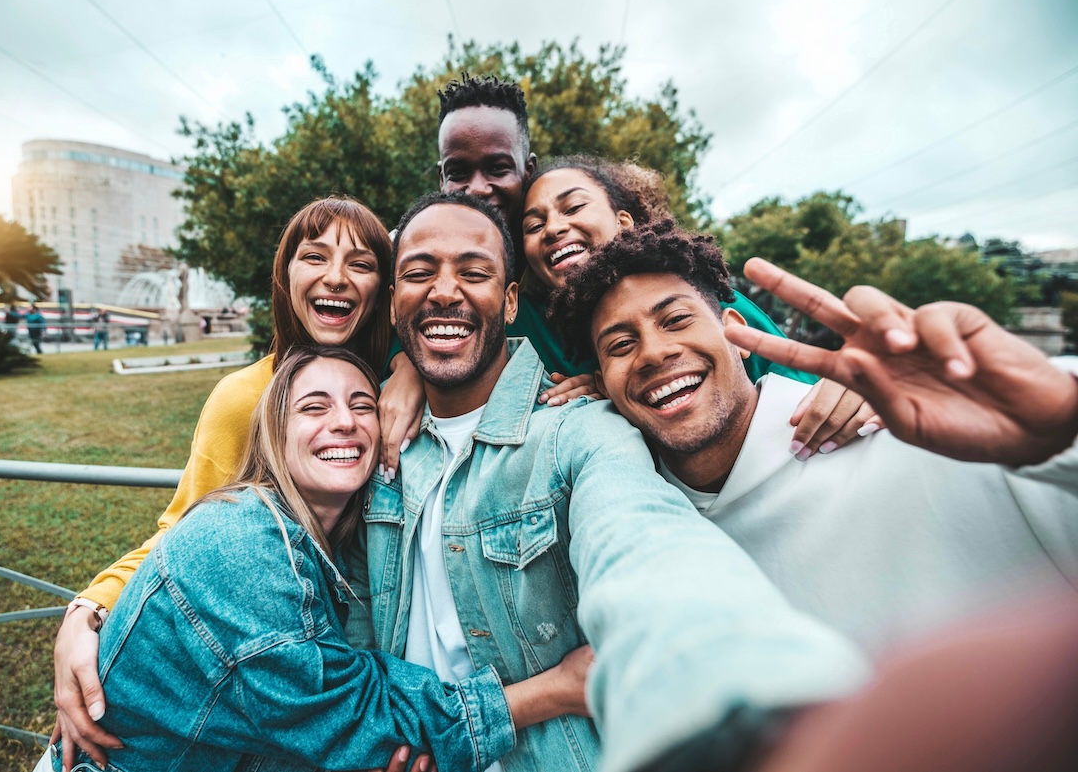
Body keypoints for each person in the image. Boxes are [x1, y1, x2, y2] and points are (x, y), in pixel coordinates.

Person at [351, 191, 868, 772]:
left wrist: (734, 685)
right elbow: (355, 640)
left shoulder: (581, 432)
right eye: (420, 273)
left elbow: (641, 541)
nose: (445, 291)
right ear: (394, 301)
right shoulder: (369, 442)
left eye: (474, 272)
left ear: (511, 299)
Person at [40, 344, 592, 772]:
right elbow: (356, 716)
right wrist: (557, 690)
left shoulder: (315, 542)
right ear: (275, 433)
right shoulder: (244, 545)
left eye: (361, 406)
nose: (345, 422)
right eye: (313, 408)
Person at [550, 220, 1078, 657]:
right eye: (619, 345)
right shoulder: (629, 532)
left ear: (736, 331)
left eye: (677, 320)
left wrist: (1061, 427)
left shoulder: (920, 436)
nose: (652, 354)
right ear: (602, 384)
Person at [51, 196, 397, 769]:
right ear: (285, 276)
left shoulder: (404, 384)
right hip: (256, 682)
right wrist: (83, 613)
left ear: (383, 287)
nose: (336, 276)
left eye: (361, 263)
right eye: (314, 256)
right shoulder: (243, 399)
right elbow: (181, 534)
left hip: (356, 674)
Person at [520, 154, 879, 456]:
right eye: (533, 225)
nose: (552, 228)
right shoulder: (533, 328)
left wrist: (855, 393)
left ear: (623, 220)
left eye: (575, 206)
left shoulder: (706, 297)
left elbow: (816, 396)